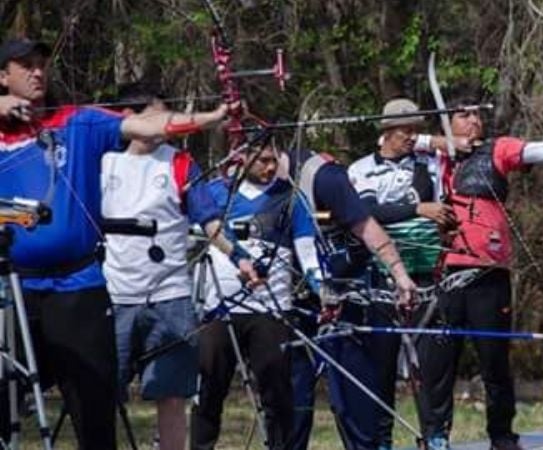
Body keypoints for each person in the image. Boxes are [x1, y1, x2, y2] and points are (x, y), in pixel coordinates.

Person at [0, 37, 231, 450]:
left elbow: (148, 125)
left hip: (78, 288)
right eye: (24, 65)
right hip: (14, 290)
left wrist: (213, 116)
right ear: (3, 77)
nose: (37, 72)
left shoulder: (77, 123)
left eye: (40, 64)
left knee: (94, 407)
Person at [416, 94, 543, 450]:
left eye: (477, 115)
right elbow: (392, 141)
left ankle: (503, 438)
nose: (474, 121)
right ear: (448, 123)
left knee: (494, 363)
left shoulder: (498, 149)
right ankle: (435, 438)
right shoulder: (433, 158)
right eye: (464, 115)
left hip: (488, 275)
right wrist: (440, 142)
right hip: (444, 275)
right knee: (438, 364)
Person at [101, 87, 259, 450]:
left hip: (170, 297)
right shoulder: (103, 160)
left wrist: (240, 257)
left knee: (172, 396)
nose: (168, 123)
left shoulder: (180, 163)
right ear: (130, 117)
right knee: (103, 393)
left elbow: (209, 221)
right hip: (114, 295)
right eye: (159, 115)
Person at [280, 146, 417, 450]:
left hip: (340, 297)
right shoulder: (234, 181)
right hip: (285, 303)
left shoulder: (324, 177)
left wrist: (399, 274)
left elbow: (367, 227)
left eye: (262, 158)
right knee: (291, 398)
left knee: (350, 397)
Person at [191, 140, 321, 450]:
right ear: (240, 157)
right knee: (209, 389)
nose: (271, 167)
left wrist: (323, 289)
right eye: (262, 160)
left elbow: (307, 251)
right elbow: (188, 237)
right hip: (219, 310)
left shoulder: (291, 198)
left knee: (277, 391)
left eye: (274, 160)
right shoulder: (214, 193)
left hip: (271, 310)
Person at [348, 98, 458, 450]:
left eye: (416, 130)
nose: (412, 137)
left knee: (432, 363)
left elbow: (442, 208)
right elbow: (366, 212)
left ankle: (436, 436)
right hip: (380, 276)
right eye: (405, 130)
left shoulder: (428, 165)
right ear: (386, 132)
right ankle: (381, 438)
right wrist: (417, 209)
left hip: (425, 272)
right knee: (381, 362)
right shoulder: (361, 168)